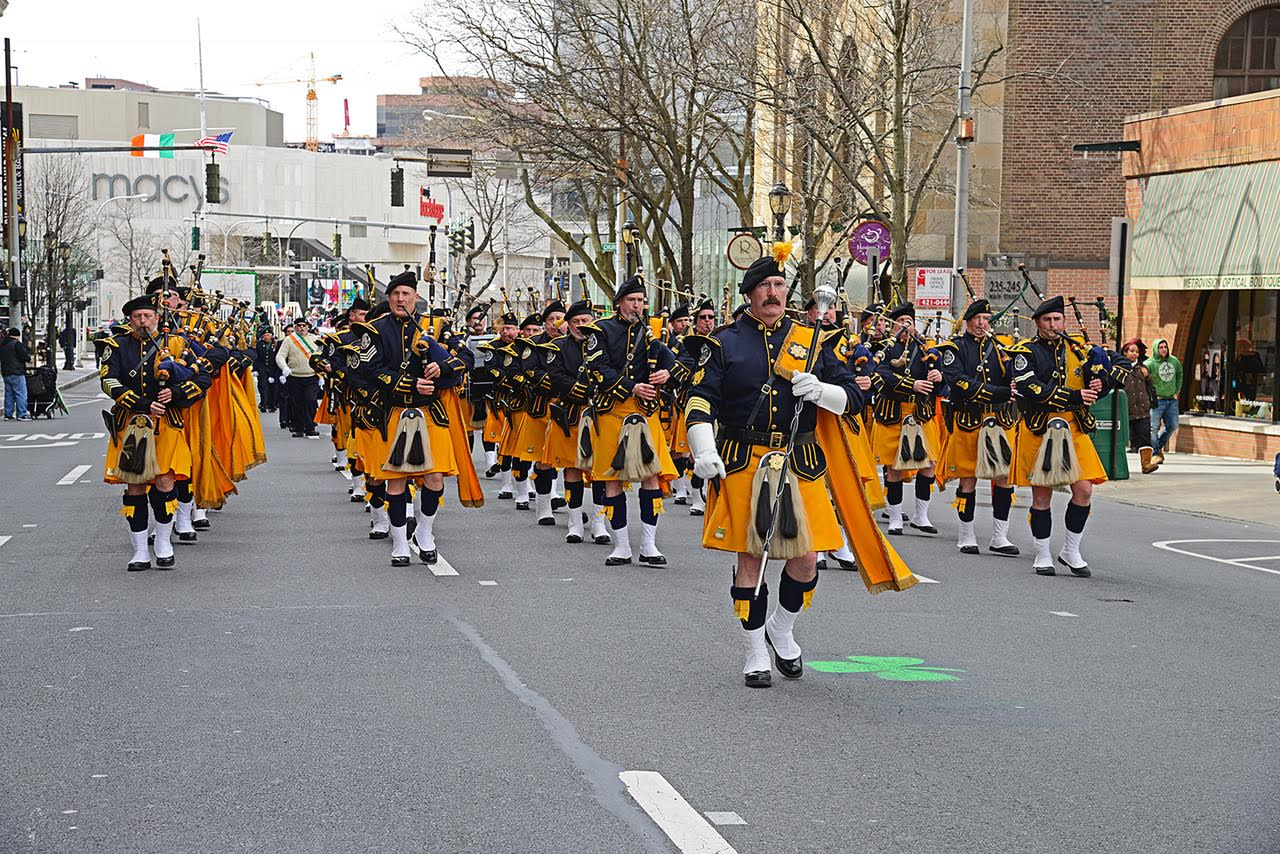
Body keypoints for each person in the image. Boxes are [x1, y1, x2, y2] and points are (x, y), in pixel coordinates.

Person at [684, 254, 915, 688]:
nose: (773, 292)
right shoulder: (724, 342)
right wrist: (702, 446)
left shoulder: (812, 341)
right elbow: (700, 397)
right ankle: (754, 651)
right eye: (764, 285)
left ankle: (782, 627)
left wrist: (823, 390)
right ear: (749, 294)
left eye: (779, 284)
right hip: (743, 459)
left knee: (807, 558)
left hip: (799, 461)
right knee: (751, 556)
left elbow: (854, 395)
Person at [349, 270, 469, 566]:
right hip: (393, 412)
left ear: (416, 297)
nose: (400, 299)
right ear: (388, 298)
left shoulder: (435, 327)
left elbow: (464, 357)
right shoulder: (374, 330)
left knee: (435, 477)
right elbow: (370, 371)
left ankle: (425, 533)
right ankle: (400, 542)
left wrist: (443, 370)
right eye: (395, 294)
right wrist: (409, 384)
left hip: (431, 412)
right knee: (397, 482)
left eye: (405, 294)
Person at [1008, 295, 1112, 576]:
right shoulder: (1024, 353)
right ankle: (1042, 553)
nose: (1053, 325)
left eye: (1057, 319)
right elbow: (1032, 388)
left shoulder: (1078, 349)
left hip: (1074, 427)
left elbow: (1100, 382)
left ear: (1064, 321)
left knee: (1084, 490)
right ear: (1038, 324)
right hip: (1039, 428)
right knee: (1042, 496)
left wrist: (1101, 382)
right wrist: (1076, 396)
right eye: (1047, 320)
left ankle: (1070, 549)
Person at [100, 293, 205, 571]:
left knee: (165, 482)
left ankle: (163, 542)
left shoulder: (178, 343)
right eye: (137, 317)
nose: (142, 321)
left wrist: (177, 393)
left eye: (147, 316)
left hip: (167, 424)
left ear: (157, 317)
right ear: (130, 320)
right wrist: (144, 405)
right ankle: (138, 551)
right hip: (134, 425)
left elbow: (202, 377)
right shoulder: (118, 346)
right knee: (134, 486)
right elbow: (108, 381)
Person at [587, 274, 678, 565]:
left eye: (640, 300)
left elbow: (673, 361)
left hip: (645, 411)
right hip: (613, 411)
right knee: (614, 479)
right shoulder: (600, 330)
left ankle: (649, 545)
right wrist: (631, 386)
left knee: (651, 476)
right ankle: (622, 545)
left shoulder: (651, 332)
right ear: (619, 303)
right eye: (631, 300)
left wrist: (668, 373)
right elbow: (596, 367)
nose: (637, 305)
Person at [936, 298, 1020, 556]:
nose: (983, 323)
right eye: (978, 319)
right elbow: (959, 382)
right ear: (968, 321)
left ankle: (1000, 536)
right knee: (968, 478)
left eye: (986, 319)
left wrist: (1014, 372)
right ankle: (966, 535)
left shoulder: (999, 347)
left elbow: (1012, 378)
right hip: (968, 420)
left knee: (1004, 478)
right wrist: (1000, 393)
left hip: (998, 421)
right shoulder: (955, 348)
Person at [871, 302, 943, 536]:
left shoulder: (926, 349)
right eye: (901, 323)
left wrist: (938, 375)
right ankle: (894, 517)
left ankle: (921, 516)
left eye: (908, 323)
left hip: (920, 413)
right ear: (893, 326)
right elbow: (880, 373)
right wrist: (911, 384)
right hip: (893, 411)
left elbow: (944, 384)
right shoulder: (885, 348)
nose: (905, 326)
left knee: (929, 464)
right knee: (893, 467)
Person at [275, 317, 321, 438]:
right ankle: (299, 427)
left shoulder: (315, 339)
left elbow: (321, 357)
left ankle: (311, 427)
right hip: (295, 376)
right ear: (295, 327)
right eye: (299, 325)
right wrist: (284, 367)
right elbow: (280, 356)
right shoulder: (289, 340)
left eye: (304, 325)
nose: (302, 328)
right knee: (297, 403)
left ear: (308, 327)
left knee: (311, 400)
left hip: (311, 376)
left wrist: (322, 374)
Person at [1121, 338, 1159, 473]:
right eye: (1131, 351)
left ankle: (1146, 465)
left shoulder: (1142, 368)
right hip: (1125, 410)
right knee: (1122, 439)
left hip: (1142, 409)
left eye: (1136, 352)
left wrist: (1147, 376)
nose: (1134, 354)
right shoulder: (1119, 368)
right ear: (1125, 352)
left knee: (1144, 437)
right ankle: (1117, 465)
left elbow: (1151, 385)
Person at [1145, 338, 1182, 463]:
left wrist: (1176, 390)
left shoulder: (1174, 361)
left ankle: (1158, 447)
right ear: (1155, 349)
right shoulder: (1149, 364)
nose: (1163, 349)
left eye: (1165, 347)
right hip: (1157, 401)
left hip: (1171, 400)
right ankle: (1155, 453)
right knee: (1153, 428)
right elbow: (1143, 379)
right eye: (1160, 347)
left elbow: (1179, 374)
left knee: (1172, 425)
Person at [1, 327, 32, 420]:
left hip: (5, 373)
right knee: (21, 393)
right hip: (17, 372)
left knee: (9, 394)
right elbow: (24, 356)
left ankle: (8, 414)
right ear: (17, 336)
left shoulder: (3, 344)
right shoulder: (17, 344)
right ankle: (22, 414)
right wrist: (29, 359)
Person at [255, 329, 279, 412]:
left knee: (273, 387)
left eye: (268, 335)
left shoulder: (276, 344)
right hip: (262, 368)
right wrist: (255, 369)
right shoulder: (259, 344)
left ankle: (272, 405)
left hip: (273, 368)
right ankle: (264, 404)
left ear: (271, 335)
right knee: (263, 386)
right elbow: (256, 357)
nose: (266, 337)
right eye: (264, 335)